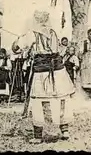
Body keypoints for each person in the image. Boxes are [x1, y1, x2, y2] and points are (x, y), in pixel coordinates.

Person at [13, 10, 75, 144]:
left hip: (42, 72)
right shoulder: (54, 32)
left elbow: (16, 48)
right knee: (61, 98)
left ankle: (38, 135)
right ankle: (65, 131)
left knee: (38, 102)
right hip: (58, 71)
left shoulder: (31, 34)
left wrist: (17, 40)